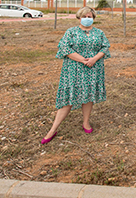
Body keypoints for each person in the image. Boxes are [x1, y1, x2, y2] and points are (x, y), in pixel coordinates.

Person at [41, 7, 110, 144]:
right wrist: (82, 59)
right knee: (69, 98)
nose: (87, 18)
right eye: (84, 16)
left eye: (89, 16)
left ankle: (86, 123)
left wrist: (94, 59)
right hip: (74, 69)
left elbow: (105, 47)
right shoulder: (71, 32)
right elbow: (64, 48)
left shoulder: (99, 32)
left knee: (88, 95)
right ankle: (53, 129)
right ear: (79, 17)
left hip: (93, 68)